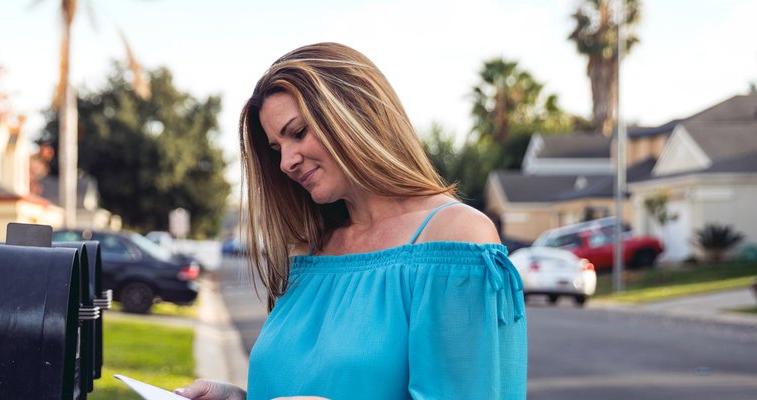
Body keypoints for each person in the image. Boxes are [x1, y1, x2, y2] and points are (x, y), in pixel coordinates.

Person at [176, 42, 527, 400]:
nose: (286, 162)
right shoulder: (308, 248)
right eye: (276, 148)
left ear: (356, 114)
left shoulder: (456, 237)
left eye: (298, 132)